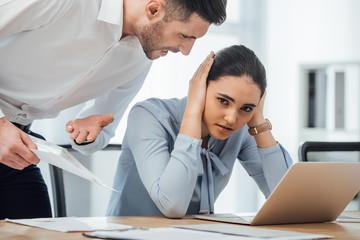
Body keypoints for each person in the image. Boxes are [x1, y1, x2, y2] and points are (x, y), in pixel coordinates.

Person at [0, 0, 227, 219]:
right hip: (5, 130)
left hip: (15, 144)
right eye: (185, 36)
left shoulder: (139, 59)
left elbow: (103, 129)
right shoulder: (69, 3)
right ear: (154, 9)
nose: (186, 50)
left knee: (37, 231)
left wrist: (87, 135)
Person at [105, 45, 293, 218]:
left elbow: (287, 203)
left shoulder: (239, 130)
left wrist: (258, 122)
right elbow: (173, 206)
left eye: (246, 108)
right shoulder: (148, 117)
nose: (231, 118)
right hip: (127, 235)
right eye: (223, 101)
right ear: (200, 88)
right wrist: (193, 110)